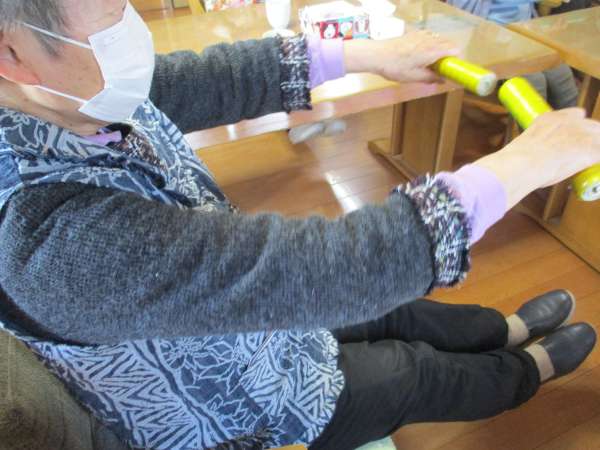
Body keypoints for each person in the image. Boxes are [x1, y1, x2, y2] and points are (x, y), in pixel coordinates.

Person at [0, 1, 599, 449]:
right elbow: (320, 271)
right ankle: (528, 371)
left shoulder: (72, 97)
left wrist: (362, 56)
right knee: (410, 372)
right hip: (237, 404)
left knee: (400, 314)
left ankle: (507, 330)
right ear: (13, 56)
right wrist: (522, 166)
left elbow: (196, 79)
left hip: (249, 323)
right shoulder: (41, 236)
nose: (131, 24)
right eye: (110, 17)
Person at [447, 0, 580, 110]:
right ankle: (535, 130)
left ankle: (572, 127)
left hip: (524, 33)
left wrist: (542, 25)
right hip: (487, 37)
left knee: (560, 72)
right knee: (534, 82)